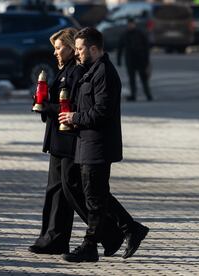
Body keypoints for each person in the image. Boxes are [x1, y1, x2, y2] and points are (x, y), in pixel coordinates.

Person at [29, 28, 125, 256]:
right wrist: (43, 103)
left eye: (59, 47)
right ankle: (53, 237)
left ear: (73, 48)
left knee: (80, 192)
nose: (55, 53)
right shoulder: (69, 70)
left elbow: (79, 107)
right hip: (60, 139)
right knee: (60, 191)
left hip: (72, 139)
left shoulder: (83, 71)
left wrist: (48, 107)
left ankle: (112, 232)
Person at [59, 27, 149, 262]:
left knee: (95, 200)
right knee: (97, 195)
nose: (76, 53)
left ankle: (91, 246)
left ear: (94, 48)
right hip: (86, 144)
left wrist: (74, 118)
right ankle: (129, 229)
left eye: (79, 49)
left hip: (98, 145)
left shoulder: (105, 73)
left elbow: (102, 112)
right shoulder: (89, 71)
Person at [117, 17, 152, 102]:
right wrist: (119, 60)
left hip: (141, 60)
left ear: (134, 24)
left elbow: (147, 47)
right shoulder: (125, 34)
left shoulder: (140, 34)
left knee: (144, 78)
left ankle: (148, 95)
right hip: (130, 60)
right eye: (129, 24)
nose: (130, 25)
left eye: (131, 24)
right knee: (132, 79)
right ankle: (133, 95)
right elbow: (120, 48)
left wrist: (147, 61)